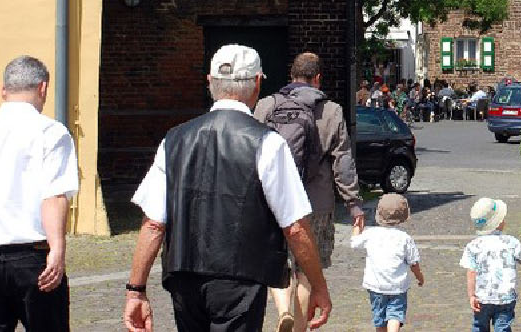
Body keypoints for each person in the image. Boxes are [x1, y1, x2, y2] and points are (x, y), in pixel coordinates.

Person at [124, 44, 331, 332]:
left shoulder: (174, 140)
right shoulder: (267, 143)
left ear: (210, 82)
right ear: (257, 83)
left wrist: (136, 289)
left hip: (184, 273)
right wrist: (318, 285)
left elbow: (153, 224)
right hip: (240, 277)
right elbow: (295, 226)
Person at [254, 52, 366, 332]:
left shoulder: (267, 105)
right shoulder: (331, 111)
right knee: (305, 269)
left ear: (291, 76)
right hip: (315, 202)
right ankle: (300, 327)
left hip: (273, 200)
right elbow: (343, 161)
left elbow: (251, 153)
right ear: (317, 78)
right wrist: (353, 204)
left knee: (278, 261)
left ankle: (283, 311)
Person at [0, 56, 78, 331]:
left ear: (4, 90)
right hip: (32, 257)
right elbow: (54, 195)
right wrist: (58, 249)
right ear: (43, 88)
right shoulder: (50, 132)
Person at [350, 194, 423, 332]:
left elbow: (354, 243)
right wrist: (420, 277)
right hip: (397, 286)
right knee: (395, 314)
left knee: (379, 318)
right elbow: (414, 263)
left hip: (376, 285)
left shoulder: (371, 233)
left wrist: (357, 226)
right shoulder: (404, 238)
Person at [460, 197, 521, 331]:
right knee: (503, 327)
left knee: (479, 327)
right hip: (505, 297)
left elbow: (471, 272)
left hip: (482, 297)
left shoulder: (473, 246)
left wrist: (472, 295)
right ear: (498, 223)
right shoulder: (510, 242)